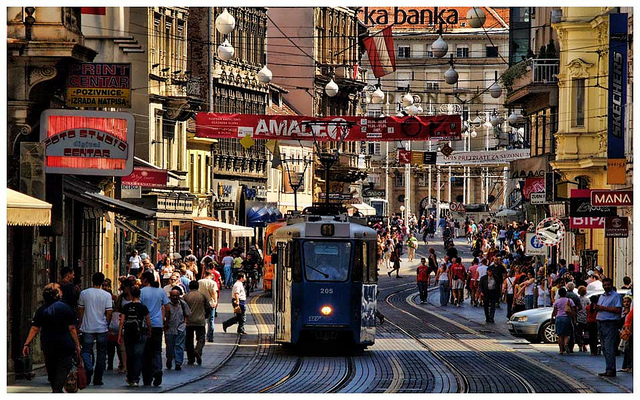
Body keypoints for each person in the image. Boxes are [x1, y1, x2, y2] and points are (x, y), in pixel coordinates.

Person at [23, 283, 81, 393]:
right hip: (65, 346)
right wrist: (77, 345)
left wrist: (27, 344)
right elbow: (72, 328)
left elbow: (35, 328)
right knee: (63, 369)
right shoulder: (66, 309)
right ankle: (57, 390)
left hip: (48, 346)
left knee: (52, 371)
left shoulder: (41, 310)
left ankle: (56, 389)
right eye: (60, 289)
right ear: (57, 294)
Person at [78, 272, 113, 386]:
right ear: (103, 282)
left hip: (88, 327)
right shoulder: (107, 295)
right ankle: (98, 379)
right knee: (102, 353)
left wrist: (81, 322)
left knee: (86, 350)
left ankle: (88, 367)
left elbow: (81, 310)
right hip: (101, 328)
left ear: (92, 280)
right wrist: (106, 323)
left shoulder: (84, 293)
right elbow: (109, 312)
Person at [139, 271, 169, 386]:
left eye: (142, 279)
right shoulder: (161, 291)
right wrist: (166, 321)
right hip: (157, 325)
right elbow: (167, 307)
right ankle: (157, 370)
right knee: (156, 351)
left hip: (145, 326)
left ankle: (147, 377)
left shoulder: (141, 292)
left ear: (146, 280)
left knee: (145, 352)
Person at [118, 285, 151, 387]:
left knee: (130, 355)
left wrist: (119, 334)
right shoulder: (143, 307)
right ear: (139, 295)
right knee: (138, 356)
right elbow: (148, 321)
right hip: (140, 334)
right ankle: (136, 379)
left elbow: (122, 321)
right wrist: (149, 331)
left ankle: (130, 376)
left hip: (128, 334)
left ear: (131, 295)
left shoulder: (126, 307)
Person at [595, 277, 623, 377]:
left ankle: (611, 369)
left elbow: (618, 309)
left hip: (610, 323)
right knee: (604, 347)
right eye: (605, 285)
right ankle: (608, 368)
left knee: (609, 348)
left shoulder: (616, 296)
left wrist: (603, 308)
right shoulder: (602, 296)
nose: (606, 287)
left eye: (608, 285)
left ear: (611, 285)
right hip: (601, 323)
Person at [165, 288, 190, 371]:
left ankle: (178, 363)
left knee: (179, 346)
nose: (175, 297)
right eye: (173, 296)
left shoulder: (183, 304)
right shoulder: (167, 305)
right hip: (169, 329)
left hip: (180, 328)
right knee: (169, 347)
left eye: (176, 296)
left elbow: (187, 314)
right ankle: (169, 360)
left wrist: (185, 324)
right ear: (170, 296)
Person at [184, 281, 208, 365]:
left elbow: (183, 308)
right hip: (200, 321)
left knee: (189, 340)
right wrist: (205, 316)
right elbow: (208, 307)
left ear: (189, 287)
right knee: (201, 338)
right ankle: (198, 350)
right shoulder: (202, 296)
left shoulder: (186, 296)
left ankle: (191, 359)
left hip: (189, 322)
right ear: (198, 287)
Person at [551, 287, 575, 355]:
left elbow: (554, 311)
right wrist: (574, 319)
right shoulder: (569, 300)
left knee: (560, 335)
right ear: (565, 293)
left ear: (559, 294)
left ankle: (561, 350)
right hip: (566, 318)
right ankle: (566, 344)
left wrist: (552, 319)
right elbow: (573, 311)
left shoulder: (557, 301)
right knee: (567, 334)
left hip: (559, 318)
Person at [198, 269, 218, 342]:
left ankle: (201, 336)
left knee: (201, 321)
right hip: (210, 303)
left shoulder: (199, 282)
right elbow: (214, 293)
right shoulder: (213, 283)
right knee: (211, 320)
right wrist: (215, 302)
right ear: (211, 275)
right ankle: (210, 337)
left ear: (204, 274)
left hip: (201, 303)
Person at [620, 301, 633, 373]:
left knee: (629, 348)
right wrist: (627, 326)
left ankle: (628, 366)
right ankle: (628, 366)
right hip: (631, 330)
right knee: (628, 347)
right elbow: (629, 316)